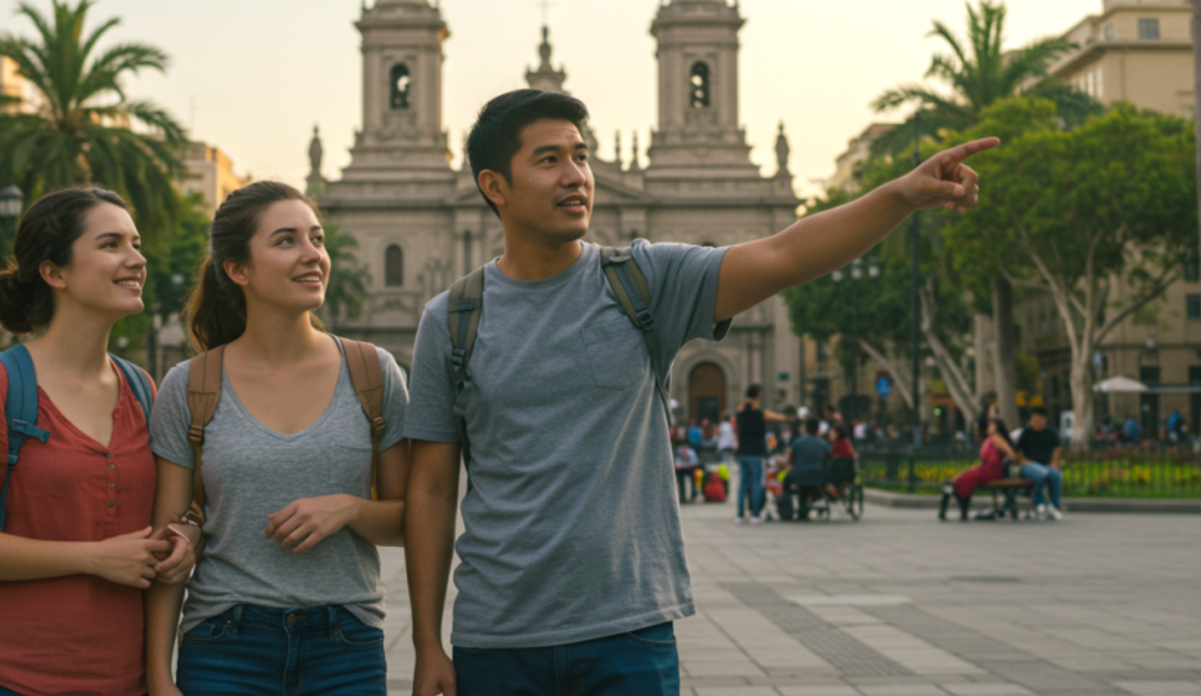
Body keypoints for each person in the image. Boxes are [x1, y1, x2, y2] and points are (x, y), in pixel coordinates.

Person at [400, 89, 991, 696]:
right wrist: (426, 644)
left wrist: (901, 195)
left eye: (582, 156)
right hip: (499, 643)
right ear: (495, 186)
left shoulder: (644, 280)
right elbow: (432, 487)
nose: (576, 176)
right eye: (549, 160)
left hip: (629, 634)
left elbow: (785, 253)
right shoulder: (451, 320)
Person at [0, 187, 197, 696]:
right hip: (9, 679)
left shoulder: (142, 389)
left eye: (135, 244)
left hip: (126, 681)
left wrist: (185, 540)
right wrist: (92, 557)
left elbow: (168, 515)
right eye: (112, 244)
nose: (137, 260)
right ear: (55, 273)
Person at [144, 182, 411, 696]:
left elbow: (409, 519)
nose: (313, 255)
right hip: (224, 644)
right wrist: (158, 674)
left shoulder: (375, 374)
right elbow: (168, 541)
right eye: (287, 241)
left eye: (317, 238)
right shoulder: (190, 385)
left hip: (346, 648)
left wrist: (349, 509)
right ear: (237, 270)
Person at [940, 419, 1019, 521]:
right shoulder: (990, 439)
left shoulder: (997, 438)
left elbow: (1011, 454)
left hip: (993, 470)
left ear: (996, 427)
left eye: (991, 425)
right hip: (986, 468)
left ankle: (960, 501)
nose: (988, 427)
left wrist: (1006, 461)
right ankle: (960, 500)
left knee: (966, 478)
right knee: (965, 477)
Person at [734, 385, 788, 525]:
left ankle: (740, 515)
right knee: (757, 483)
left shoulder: (740, 414)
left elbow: (736, 424)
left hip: (742, 452)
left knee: (743, 484)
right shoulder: (760, 414)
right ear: (758, 395)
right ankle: (755, 514)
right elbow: (779, 417)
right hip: (756, 452)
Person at [1017, 407, 1065, 520]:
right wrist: (1023, 461)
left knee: (1056, 474)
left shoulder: (1051, 433)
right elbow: (1019, 452)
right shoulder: (1026, 433)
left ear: (1045, 420)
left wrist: (1055, 462)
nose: (1037, 423)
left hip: (1045, 464)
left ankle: (1055, 505)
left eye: (1040, 420)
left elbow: (1057, 449)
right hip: (1029, 465)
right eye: (1035, 420)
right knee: (1040, 473)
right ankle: (1039, 503)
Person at [784, 419, 832, 520]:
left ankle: (786, 505)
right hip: (818, 475)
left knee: (786, 480)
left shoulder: (798, 442)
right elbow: (828, 459)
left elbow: (791, 458)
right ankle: (807, 505)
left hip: (799, 474)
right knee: (809, 484)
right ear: (818, 429)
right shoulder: (823, 443)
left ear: (806, 428)